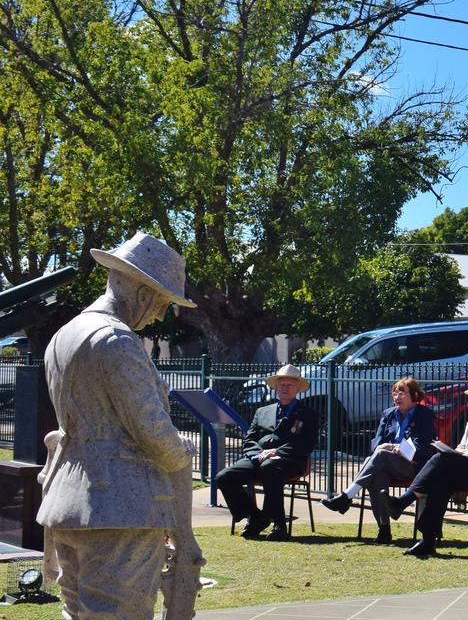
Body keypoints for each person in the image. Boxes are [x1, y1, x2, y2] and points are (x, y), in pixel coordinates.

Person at [38, 232, 201, 620]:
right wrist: (183, 450)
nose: (160, 315)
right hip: (120, 507)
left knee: (77, 613)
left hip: (69, 502)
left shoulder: (64, 335)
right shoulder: (116, 340)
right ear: (144, 292)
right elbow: (155, 436)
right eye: (162, 302)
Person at [386, 376, 468, 557]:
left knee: (442, 460)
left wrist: (456, 457)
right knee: (441, 480)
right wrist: (455, 454)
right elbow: (462, 448)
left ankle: (403, 502)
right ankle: (428, 540)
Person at [321, 376, 437, 543]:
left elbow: (424, 445)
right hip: (386, 462)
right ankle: (384, 529)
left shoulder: (424, 415)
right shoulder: (388, 414)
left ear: (414, 395)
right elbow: (376, 442)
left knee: (379, 456)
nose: (397, 397)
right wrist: (385, 447)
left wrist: (397, 449)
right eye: (394, 393)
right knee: (377, 477)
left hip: (412, 465)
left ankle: (347, 496)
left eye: (402, 393)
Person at [216, 364, 319, 541]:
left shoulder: (308, 414)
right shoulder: (262, 411)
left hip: (289, 461)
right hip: (258, 458)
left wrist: (275, 452)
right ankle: (255, 517)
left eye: (290, 385)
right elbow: (249, 441)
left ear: (298, 389)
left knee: (270, 468)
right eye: (282, 385)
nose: (285, 388)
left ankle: (279, 523)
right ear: (276, 387)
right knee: (224, 477)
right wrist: (259, 454)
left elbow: (306, 444)